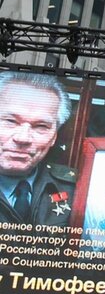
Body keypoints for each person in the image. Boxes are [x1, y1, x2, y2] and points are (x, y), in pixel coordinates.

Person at [0, 71, 75, 226]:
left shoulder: (75, 189)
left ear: (54, 137)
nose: (23, 138)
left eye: (41, 126)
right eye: (10, 121)